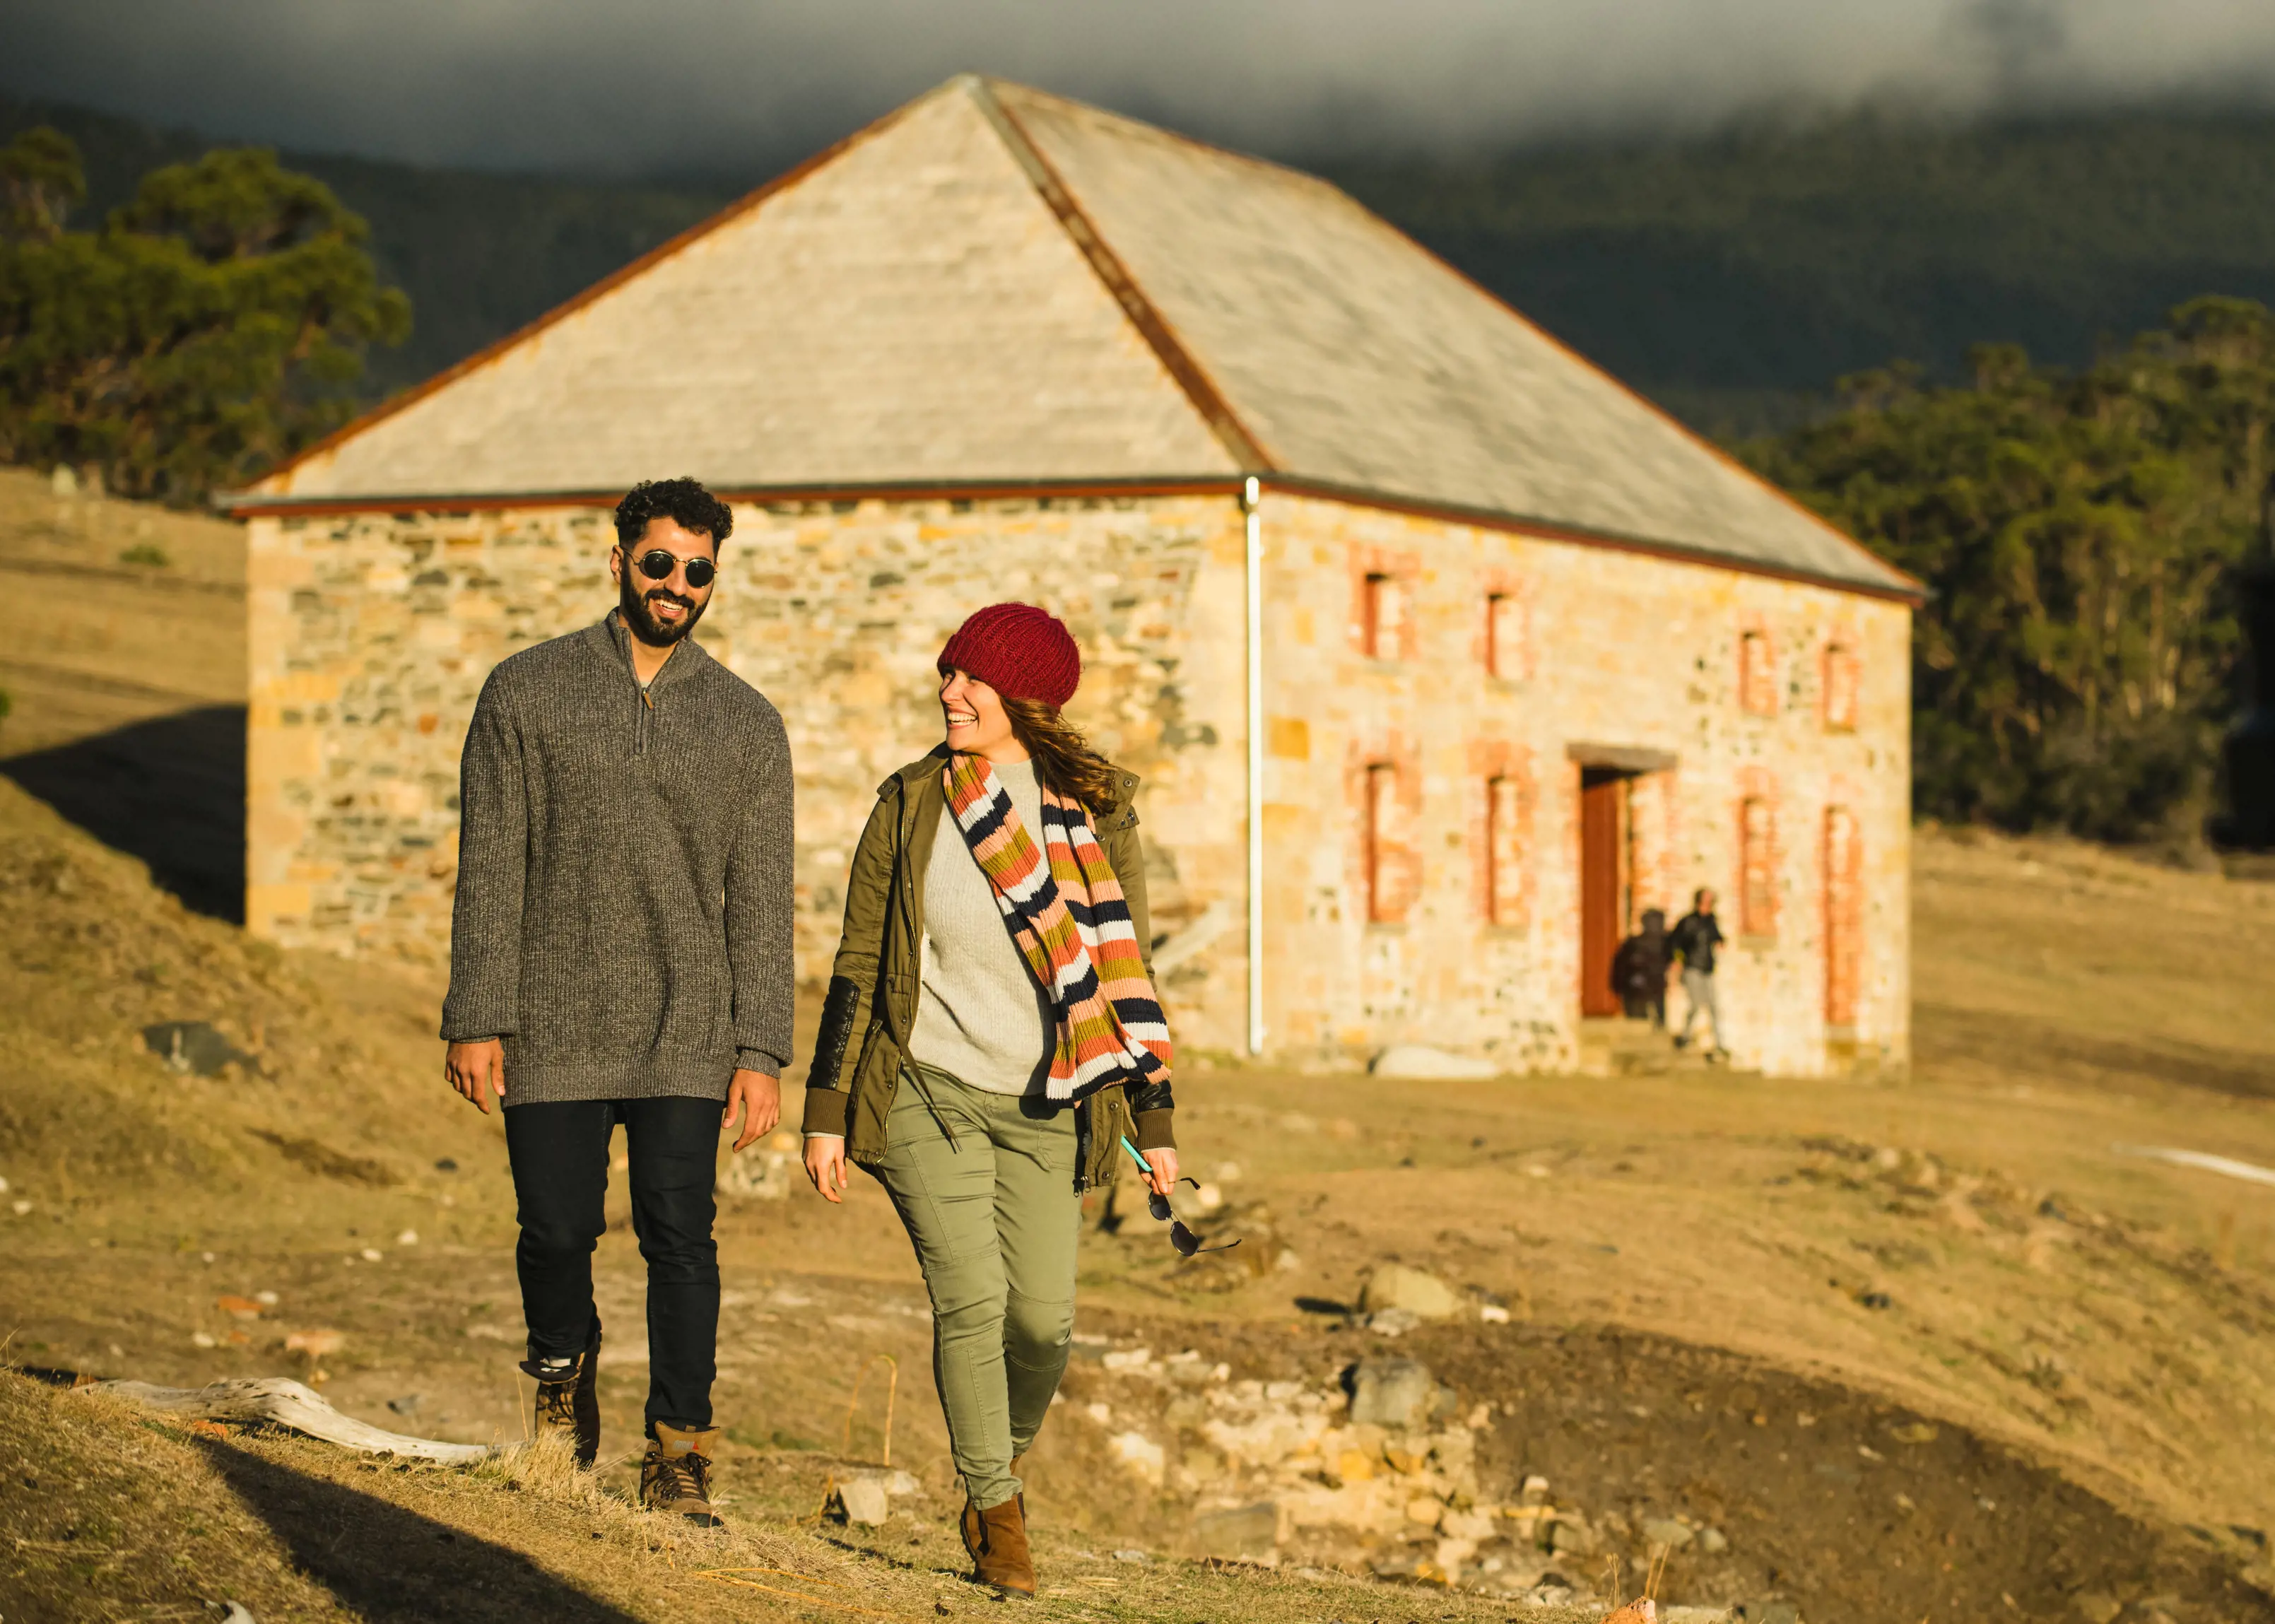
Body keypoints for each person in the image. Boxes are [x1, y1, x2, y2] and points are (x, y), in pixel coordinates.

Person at [801, 602, 1177, 1598]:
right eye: (947, 673)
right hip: (927, 1085)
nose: (949, 692)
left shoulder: (1095, 808)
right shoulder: (912, 799)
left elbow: (1126, 969)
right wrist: (826, 1106)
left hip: (1051, 1099)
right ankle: (996, 1515)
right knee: (971, 1300)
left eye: (972, 679)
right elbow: (856, 959)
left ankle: (987, 1470)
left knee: (1044, 1325)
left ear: (1030, 699)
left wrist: (1157, 1120)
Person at [440, 477, 794, 1527]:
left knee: (680, 1237)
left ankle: (679, 1450)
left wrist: (760, 1048)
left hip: (688, 1026)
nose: (676, 584)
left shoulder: (746, 723)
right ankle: (562, 1387)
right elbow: (490, 864)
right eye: (659, 563)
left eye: (697, 570)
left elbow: (763, 898)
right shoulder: (523, 691)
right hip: (550, 1018)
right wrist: (475, 1011)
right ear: (618, 562)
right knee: (553, 1232)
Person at [1669, 888, 1725, 1055]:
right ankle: (1685, 1035)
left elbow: (1717, 937)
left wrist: (1720, 942)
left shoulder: (1711, 921)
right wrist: (1678, 960)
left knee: (1714, 1006)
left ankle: (1719, 1044)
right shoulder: (1688, 921)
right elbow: (1676, 943)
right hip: (1692, 967)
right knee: (1696, 1004)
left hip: (1707, 968)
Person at [1610, 907, 1671, 1027]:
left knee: (1657, 1022)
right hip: (1636, 988)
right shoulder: (1633, 944)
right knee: (1637, 1022)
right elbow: (1620, 966)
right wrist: (1618, 985)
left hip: (1655, 986)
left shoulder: (1666, 942)